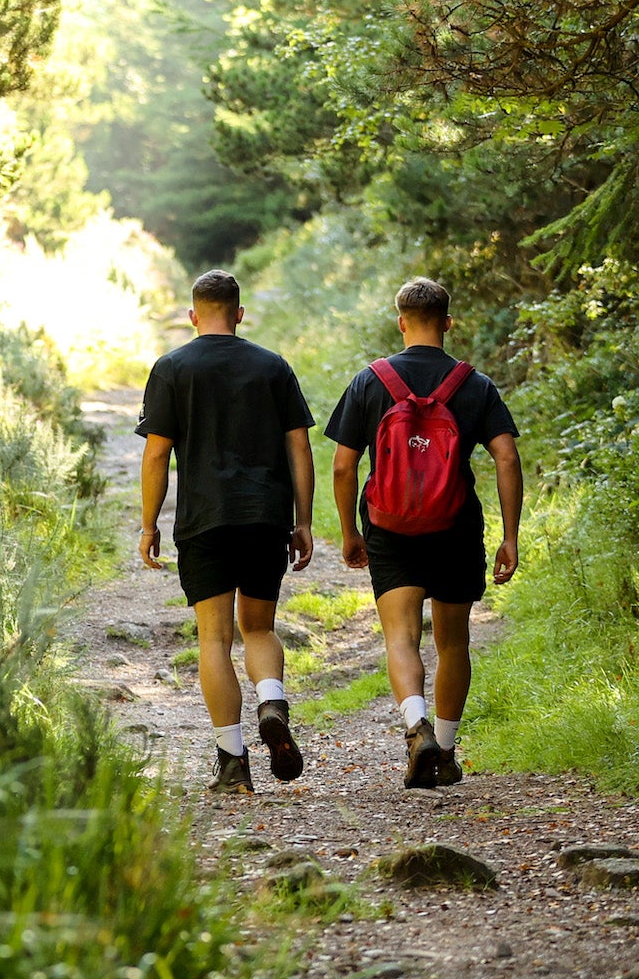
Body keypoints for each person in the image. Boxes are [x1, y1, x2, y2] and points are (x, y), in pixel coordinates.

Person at [325, 278, 522, 789]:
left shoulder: (371, 381)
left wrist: (350, 530)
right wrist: (511, 536)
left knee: (402, 636)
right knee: (454, 642)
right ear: (448, 323)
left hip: (390, 528)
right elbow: (506, 456)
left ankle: (416, 729)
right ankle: (448, 750)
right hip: (456, 526)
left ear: (401, 322)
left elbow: (344, 466)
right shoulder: (474, 385)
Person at [138, 270, 317, 794]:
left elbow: (156, 453)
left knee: (214, 639)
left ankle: (233, 764)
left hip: (204, 521)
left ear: (194, 315)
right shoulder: (272, 366)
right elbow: (300, 448)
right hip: (265, 516)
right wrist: (302, 521)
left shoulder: (171, 368)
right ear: (239, 314)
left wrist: (149, 524)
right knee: (258, 628)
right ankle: (271, 702)